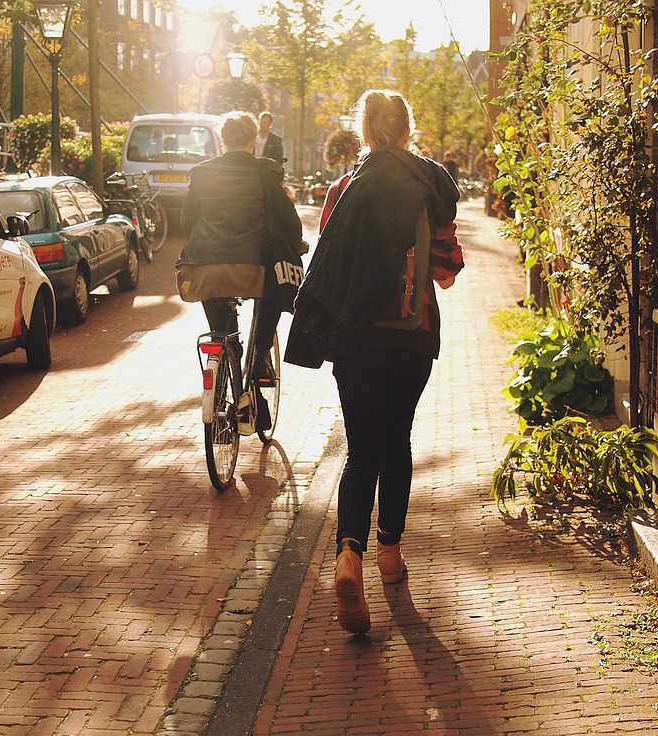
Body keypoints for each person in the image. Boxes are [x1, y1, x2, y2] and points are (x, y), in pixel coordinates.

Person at [285, 89, 464, 635]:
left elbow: (329, 259)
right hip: (413, 336)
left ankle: (348, 556)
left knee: (362, 449)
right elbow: (447, 269)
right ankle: (390, 555)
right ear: (408, 130)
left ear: (363, 131)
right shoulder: (430, 186)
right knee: (397, 442)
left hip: (356, 338)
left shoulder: (343, 190)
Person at [177, 111, 302, 421]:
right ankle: (260, 354)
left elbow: (187, 222)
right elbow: (289, 222)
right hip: (254, 268)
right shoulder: (265, 172)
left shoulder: (203, 174)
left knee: (222, 332)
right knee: (272, 294)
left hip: (205, 269)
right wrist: (295, 244)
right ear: (252, 139)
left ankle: (221, 380)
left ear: (223, 140)